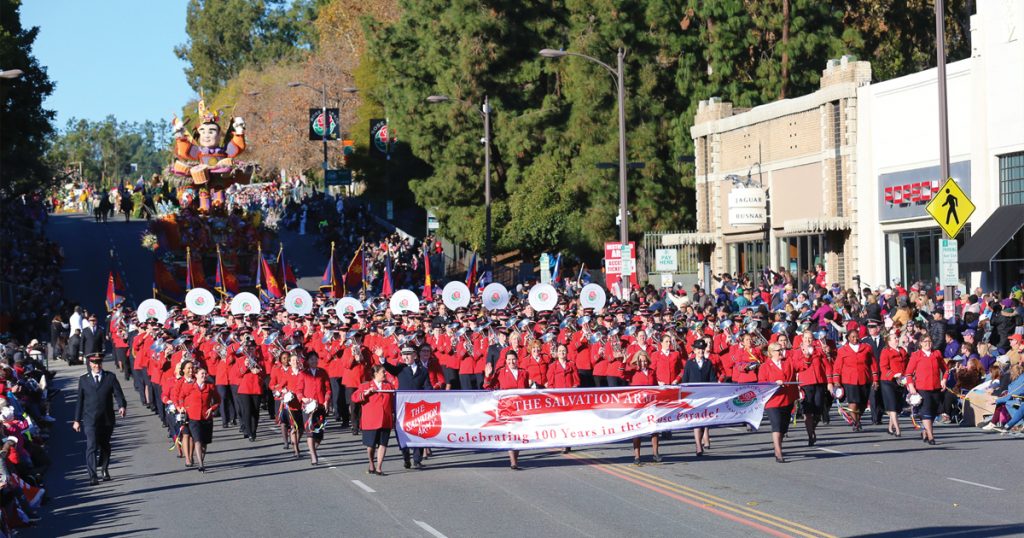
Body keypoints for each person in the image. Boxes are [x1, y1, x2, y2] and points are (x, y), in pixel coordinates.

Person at [73, 353, 127, 485]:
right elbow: (80, 401)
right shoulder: (84, 380)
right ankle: (92, 475)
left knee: (105, 445)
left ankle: (104, 469)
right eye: (94, 363)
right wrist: (76, 420)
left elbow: (118, 394)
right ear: (90, 364)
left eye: (99, 363)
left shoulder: (110, 377)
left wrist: (122, 406)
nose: (97, 366)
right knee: (91, 445)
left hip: (106, 418)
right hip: (90, 419)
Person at [381, 345, 432, 470]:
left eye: (408, 354)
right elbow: (390, 368)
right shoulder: (401, 368)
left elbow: (428, 387)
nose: (405, 357)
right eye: (403, 355)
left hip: (418, 407)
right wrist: (382, 359)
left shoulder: (423, 371)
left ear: (415, 355)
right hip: (402, 406)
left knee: (419, 432)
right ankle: (406, 457)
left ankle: (417, 459)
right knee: (402, 432)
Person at [483, 350, 532, 470]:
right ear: (505, 361)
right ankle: (513, 462)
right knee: (511, 433)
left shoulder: (524, 373)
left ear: (517, 360)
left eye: (513, 359)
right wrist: (488, 375)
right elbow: (488, 386)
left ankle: (516, 458)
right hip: (506, 407)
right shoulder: (500, 372)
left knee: (518, 434)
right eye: (509, 360)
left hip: (520, 407)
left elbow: (526, 390)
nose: (511, 362)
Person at [829, 329, 879, 431]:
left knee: (863, 403)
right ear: (848, 338)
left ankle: (857, 417)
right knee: (853, 402)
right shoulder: (843, 350)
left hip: (864, 378)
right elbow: (837, 367)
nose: (855, 339)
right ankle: (855, 422)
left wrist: (875, 378)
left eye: (856, 336)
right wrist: (836, 380)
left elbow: (873, 364)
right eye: (852, 337)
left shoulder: (867, 348)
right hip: (849, 379)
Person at [352, 365, 396, 475]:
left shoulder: (388, 386)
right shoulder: (365, 385)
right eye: (383, 372)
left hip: (385, 419)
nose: (385, 374)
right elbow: (354, 397)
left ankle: (379, 467)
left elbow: (393, 401)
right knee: (371, 445)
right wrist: (365, 393)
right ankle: (371, 463)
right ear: (375, 374)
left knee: (383, 443)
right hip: (371, 420)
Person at [758, 342, 798, 463]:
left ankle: (778, 446)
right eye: (777, 350)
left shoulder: (788, 362)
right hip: (772, 401)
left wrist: (807, 355)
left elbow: (802, 366)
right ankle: (778, 452)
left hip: (787, 399)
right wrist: (774, 382)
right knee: (776, 424)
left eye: (781, 350)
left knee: (783, 427)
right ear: (771, 353)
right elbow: (761, 383)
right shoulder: (765, 366)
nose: (780, 352)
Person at [905, 335, 948, 445]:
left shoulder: (937, 354)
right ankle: (931, 436)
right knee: (926, 412)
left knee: (933, 413)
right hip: (922, 388)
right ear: (920, 343)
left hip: (935, 387)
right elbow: (908, 373)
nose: (927, 343)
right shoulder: (916, 355)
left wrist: (944, 380)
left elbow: (945, 369)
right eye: (925, 341)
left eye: (929, 341)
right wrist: (911, 386)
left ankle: (925, 431)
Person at [182, 367, 220, 472]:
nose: (204, 375)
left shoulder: (210, 387)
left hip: (206, 417)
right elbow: (181, 397)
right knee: (197, 440)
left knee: (204, 443)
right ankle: (201, 464)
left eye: (205, 374)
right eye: (202, 373)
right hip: (193, 417)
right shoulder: (190, 386)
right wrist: (182, 407)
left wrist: (212, 408)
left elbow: (218, 400)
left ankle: (201, 459)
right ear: (196, 375)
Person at [681, 340, 715, 456]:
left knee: (703, 421)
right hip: (693, 397)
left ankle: (700, 441)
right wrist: (684, 395)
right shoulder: (690, 363)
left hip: (705, 396)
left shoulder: (708, 363)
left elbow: (712, 379)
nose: (700, 351)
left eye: (702, 349)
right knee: (696, 421)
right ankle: (698, 446)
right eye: (698, 349)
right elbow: (685, 379)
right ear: (694, 351)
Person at [628, 351, 661, 465]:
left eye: (645, 360)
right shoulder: (633, 372)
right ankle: (637, 456)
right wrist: (623, 362)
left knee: (654, 429)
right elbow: (621, 374)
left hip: (651, 404)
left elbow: (656, 386)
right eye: (641, 361)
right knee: (637, 430)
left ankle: (655, 454)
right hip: (638, 405)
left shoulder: (652, 372)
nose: (643, 363)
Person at [878, 332, 909, 437]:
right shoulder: (885, 351)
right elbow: (883, 367)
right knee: (892, 406)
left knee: (896, 406)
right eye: (894, 338)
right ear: (889, 341)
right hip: (888, 381)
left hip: (900, 381)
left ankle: (890, 428)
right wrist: (894, 375)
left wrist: (906, 376)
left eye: (897, 337)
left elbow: (907, 364)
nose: (896, 339)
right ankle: (898, 429)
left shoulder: (902, 350)